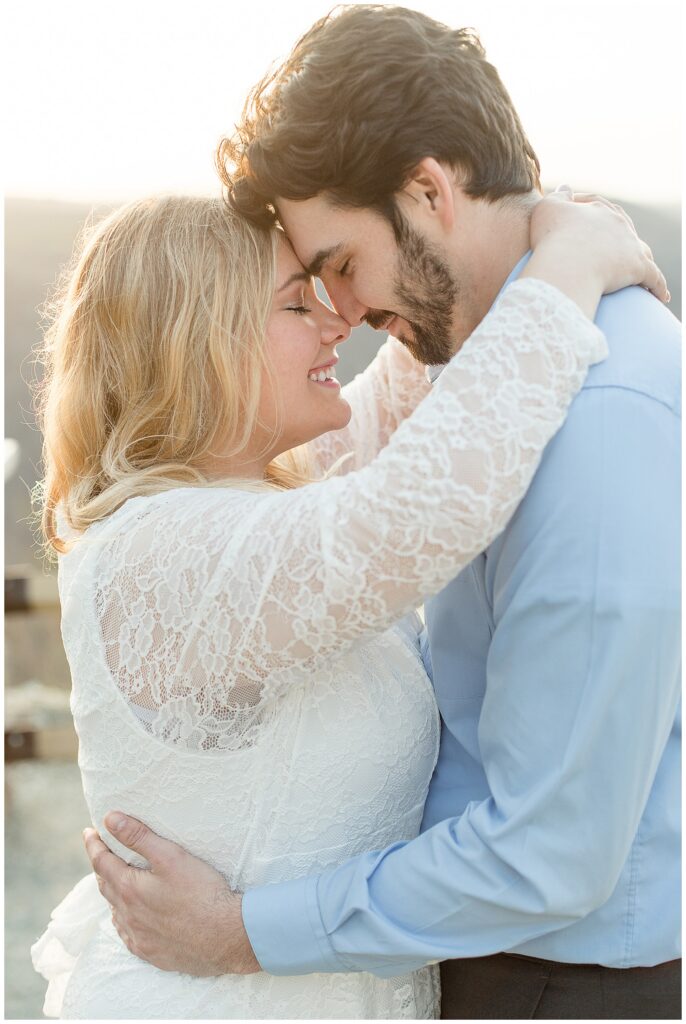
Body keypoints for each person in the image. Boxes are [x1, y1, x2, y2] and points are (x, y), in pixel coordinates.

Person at [79, 6, 681, 1021]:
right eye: (301, 298)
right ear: (200, 350)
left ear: (429, 190)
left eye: (339, 269)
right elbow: (398, 512)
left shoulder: (595, 406)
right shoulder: (193, 533)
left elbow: (553, 853)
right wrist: (556, 265)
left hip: (552, 983)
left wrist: (552, 259)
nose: (341, 316)